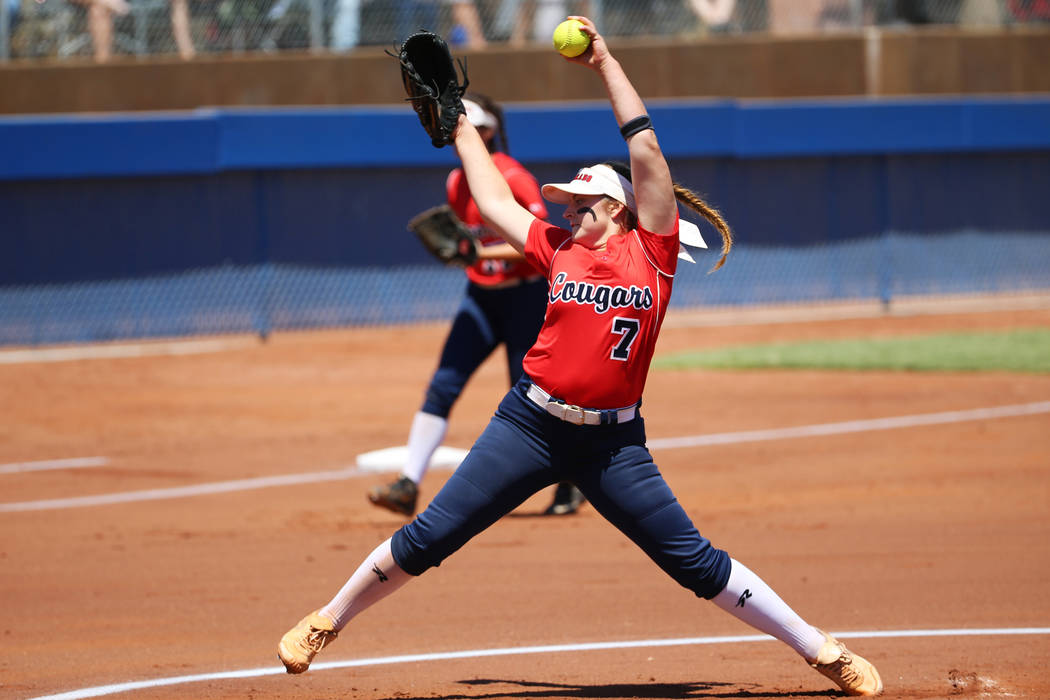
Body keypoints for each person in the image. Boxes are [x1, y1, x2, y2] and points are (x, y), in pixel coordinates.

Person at [278, 16, 883, 697]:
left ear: (620, 209)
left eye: (583, 203)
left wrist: (604, 63)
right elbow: (493, 201)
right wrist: (458, 128)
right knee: (430, 537)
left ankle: (821, 651)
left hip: (614, 446)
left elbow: (646, 148)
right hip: (527, 427)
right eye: (567, 203)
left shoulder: (650, 254)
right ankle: (326, 621)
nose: (569, 211)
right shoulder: (556, 250)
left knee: (694, 562)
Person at [367, 92, 586, 518]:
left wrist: (480, 253)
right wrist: (467, 254)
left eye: (465, 123)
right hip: (481, 299)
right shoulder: (456, 181)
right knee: (444, 383)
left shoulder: (513, 176)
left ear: (487, 131)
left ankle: (568, 481)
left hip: (527, 299)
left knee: (532, 396)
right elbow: (470, 246)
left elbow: (539, 242)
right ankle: (409, 483)